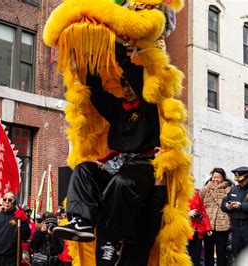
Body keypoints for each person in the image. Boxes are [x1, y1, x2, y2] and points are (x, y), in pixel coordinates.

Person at [52, 43, 167, 265]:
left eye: (130, 84)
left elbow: (143, 86)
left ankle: (111, 241)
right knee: (84, 170)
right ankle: (80, 220)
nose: (127, 89)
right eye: (123, 85)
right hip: (116, 165)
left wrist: (122, 58)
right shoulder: (117, 110)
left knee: (121, 184)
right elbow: (96, 92)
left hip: (142, 166)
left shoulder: (150, 110)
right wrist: (87, 64)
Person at [0, 191, 31, 266]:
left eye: (10, 200)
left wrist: (24, 220)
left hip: (11, 258)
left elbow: (25, 236)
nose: (7, 201)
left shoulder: (18, 218)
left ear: (14, 202)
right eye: (5, 199)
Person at [221, 166, 248, 258]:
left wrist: (241, 206)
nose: (240, 183)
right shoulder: (234, 189)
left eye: (242, 180)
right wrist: (227, 206)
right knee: (237, 255)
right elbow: (223, 203)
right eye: (238, 181)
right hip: (236, 229)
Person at [199, 168, 232, 266]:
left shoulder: (228, 189)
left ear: (223, 178)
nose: (215, 179)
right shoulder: (205, 188)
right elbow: (199, 203)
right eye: (214, 177)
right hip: (208, 225)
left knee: (221, 252)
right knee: (208, 252)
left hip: (223, 225)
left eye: (218, 178)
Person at [187, 190, 211, 266]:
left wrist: (208, 227)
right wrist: (186, 214)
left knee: (196, 256)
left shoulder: (196, 194)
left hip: (197, 230)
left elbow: (202, 211)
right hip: (184, 230)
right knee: (185, 256)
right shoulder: (175, 194)